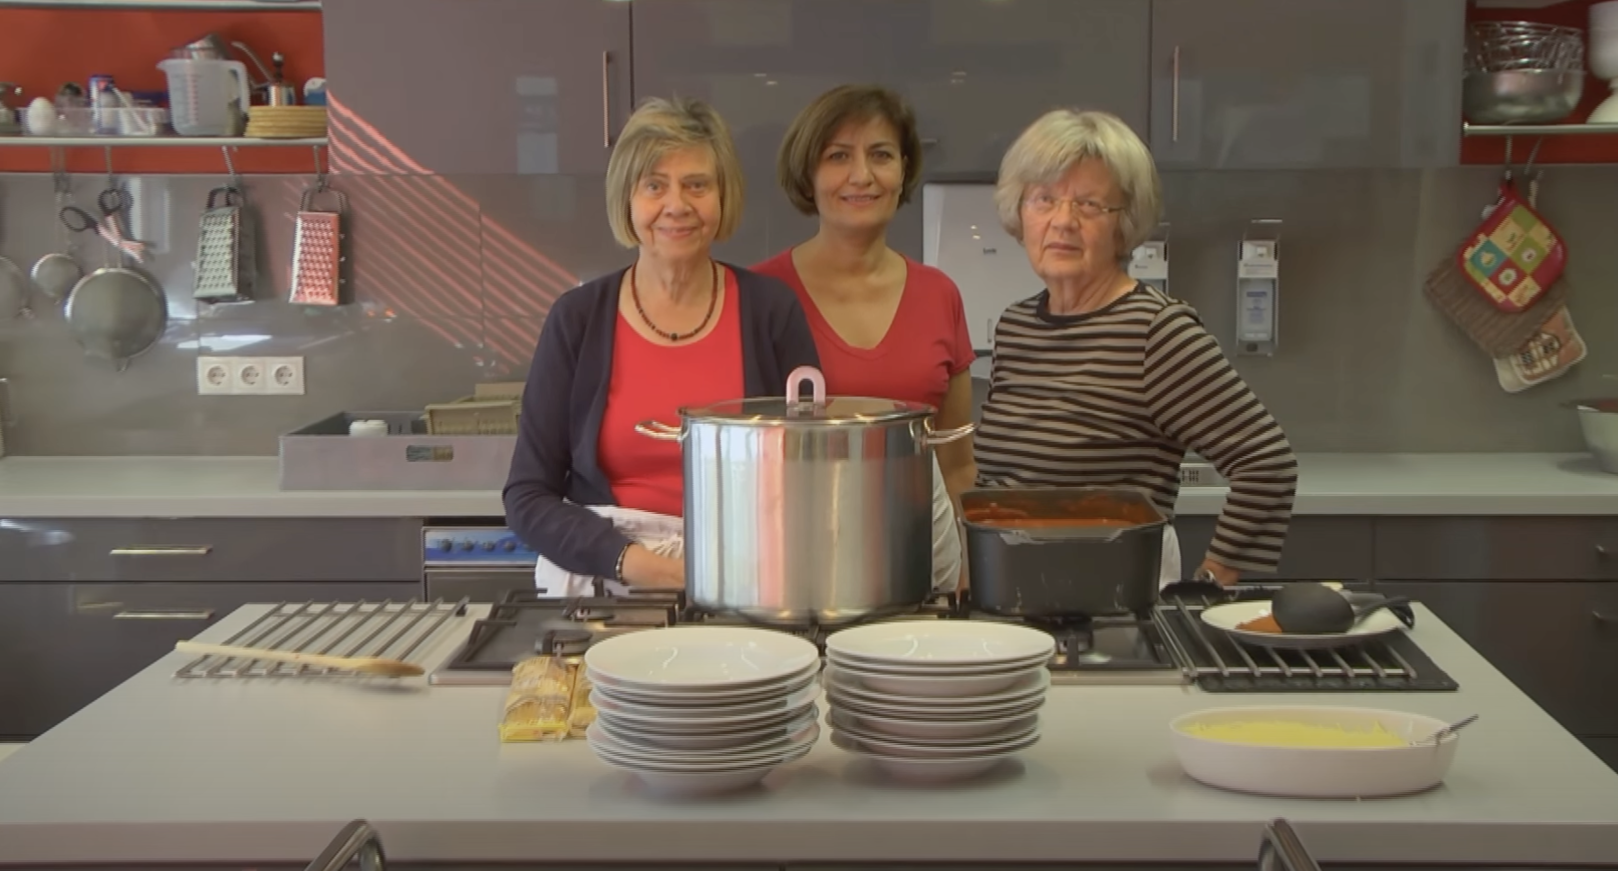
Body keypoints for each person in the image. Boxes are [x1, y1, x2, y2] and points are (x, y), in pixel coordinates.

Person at [504, 96, 820, 595]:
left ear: (723, 197)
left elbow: (814, 477)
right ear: (627, 200)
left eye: (697, 184)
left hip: (747, 580)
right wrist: (640, 564)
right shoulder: (577, 319)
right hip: (608, 579)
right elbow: (527, 495)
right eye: (655, 185)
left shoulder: (770, 311)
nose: (677, 205)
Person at [975, 108, 1298, 585]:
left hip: (1115, 603)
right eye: (1044, 199)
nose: (1062, 221)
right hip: (1015, 595)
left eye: (1089, 205)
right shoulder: (1017, 325)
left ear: (1123, 226)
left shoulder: (1157, 332)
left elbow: (1266, 464)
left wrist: (1211, 582)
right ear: (1020, 213)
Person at [753, 84, 975, 593]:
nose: (862, 176)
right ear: (808, 176)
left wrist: (968, 565)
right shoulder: (759, 296)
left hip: (923, 573)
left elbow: (957, 462)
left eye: (881, 155)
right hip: (791, 577)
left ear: (903, 171)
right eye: (838, 156)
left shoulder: (940, 295)